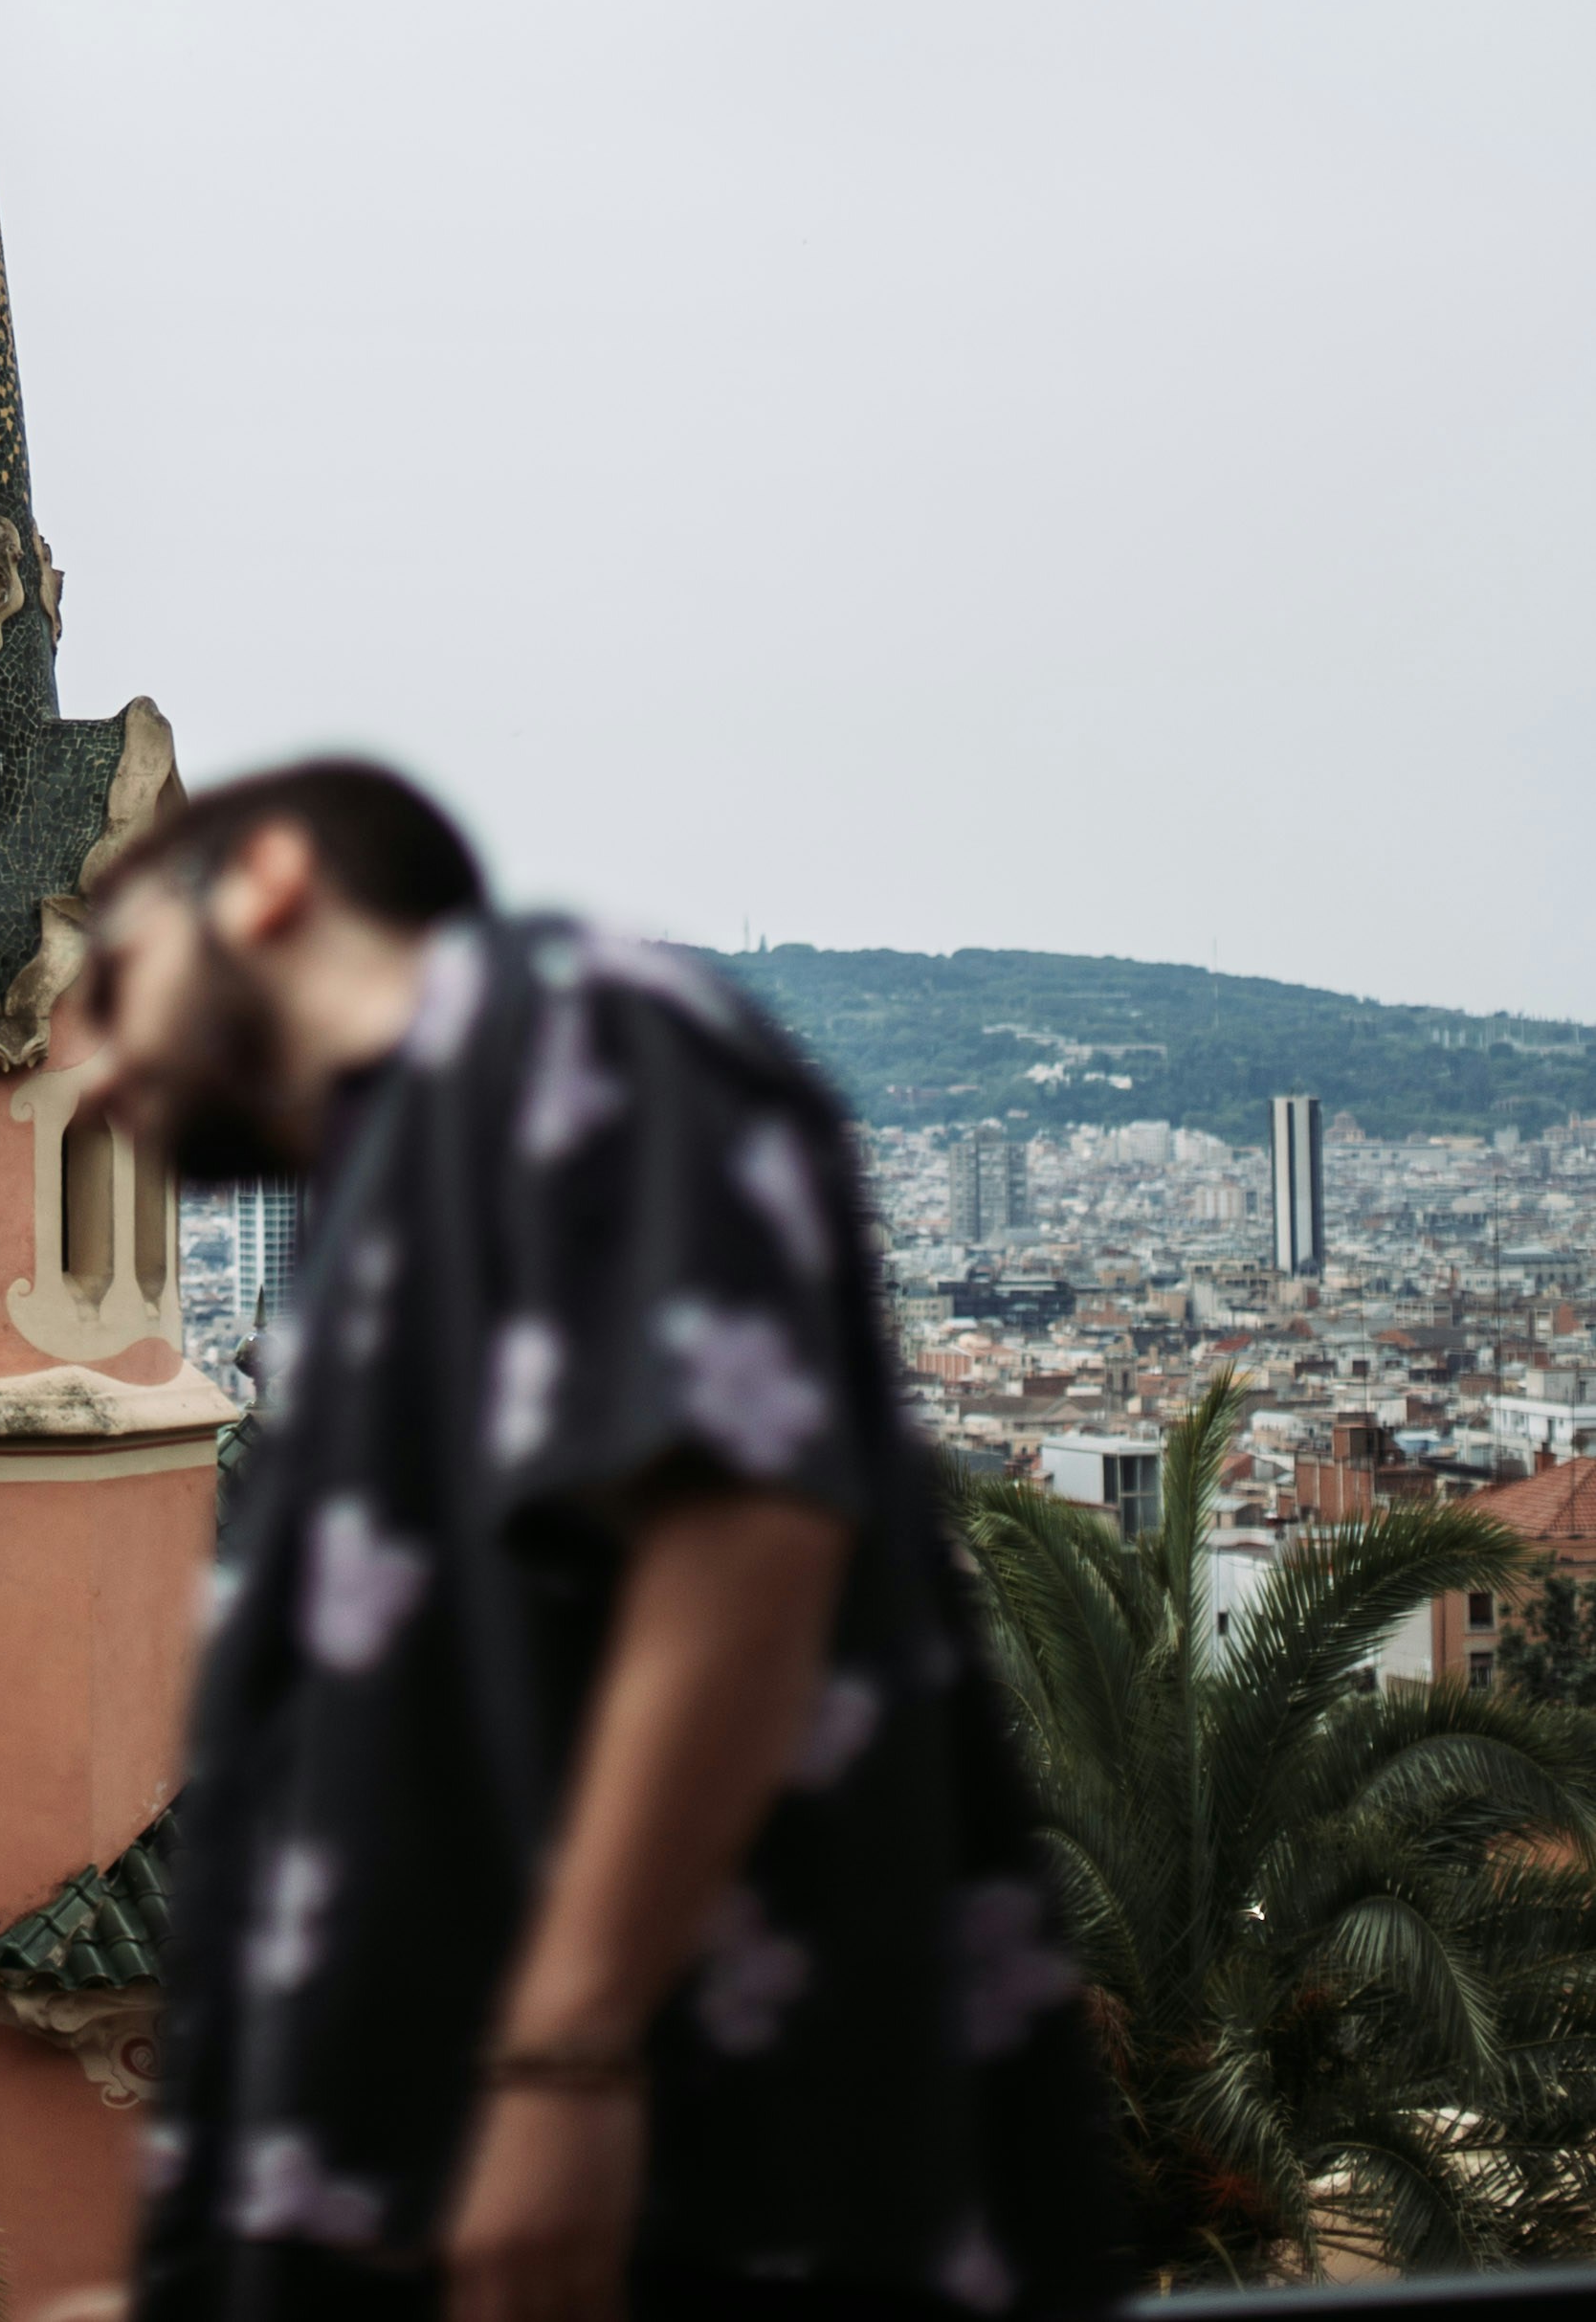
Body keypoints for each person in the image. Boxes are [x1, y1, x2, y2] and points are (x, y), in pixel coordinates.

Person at [78, 763, 1118, 2322]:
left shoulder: (564, 1021)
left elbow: (737, 1528)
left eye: (105, 982)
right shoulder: (391, 1203)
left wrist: (564, 2066)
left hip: (696, 2219)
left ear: (268, 883)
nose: (80, 1071)